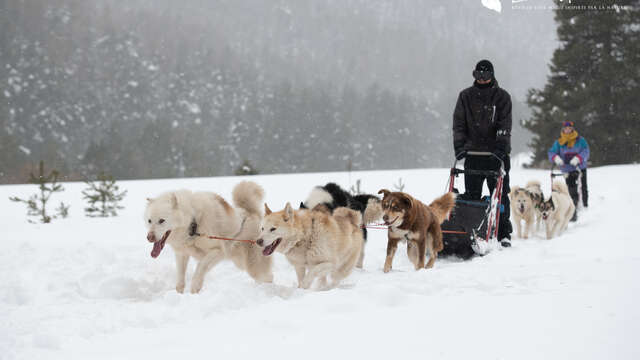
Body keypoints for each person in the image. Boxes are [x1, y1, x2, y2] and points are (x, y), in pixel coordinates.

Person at [453, 59, 513, 247]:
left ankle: (503, 232)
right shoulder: (465, 96)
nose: (482, 78)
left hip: (496, 156)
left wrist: (501, 148)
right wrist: (459, 147)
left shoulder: (502, 97)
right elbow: (459, 124)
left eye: (486, 75)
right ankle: (472, 230)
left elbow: (505, 124)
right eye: (479, 74)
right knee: (471, 196)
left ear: (492, 75)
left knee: (500, 195)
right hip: (473, 154)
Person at [547, 121, 589, 221]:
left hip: (579, 168)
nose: (568, 130)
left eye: (569, 128)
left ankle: (583, 206)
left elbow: (586, 151)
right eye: (566, 128)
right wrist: (556, 158)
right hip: (566, 168)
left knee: (580, 187)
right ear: (563, 129)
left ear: (572, 129)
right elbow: (551, 152)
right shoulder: (559, 142)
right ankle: (568, 209)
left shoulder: (580, 140)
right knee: (569, 190)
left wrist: (578, 158)